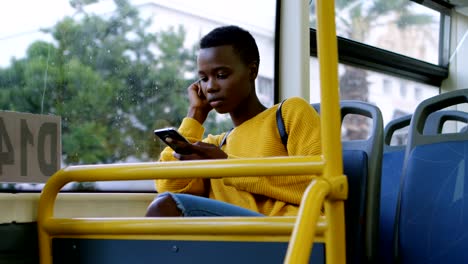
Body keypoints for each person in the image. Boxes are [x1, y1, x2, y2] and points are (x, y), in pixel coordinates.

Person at [146, 25, 321, 217]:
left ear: (252, 71)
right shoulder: (217, 145)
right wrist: (195, 114)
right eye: (203, 79)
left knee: (164, 207)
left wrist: (226, 165)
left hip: (288, 235)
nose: (210, 87)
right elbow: (167, 186)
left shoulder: (289, 113)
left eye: (221, 75)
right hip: (232, 237)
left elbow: (319, 186)